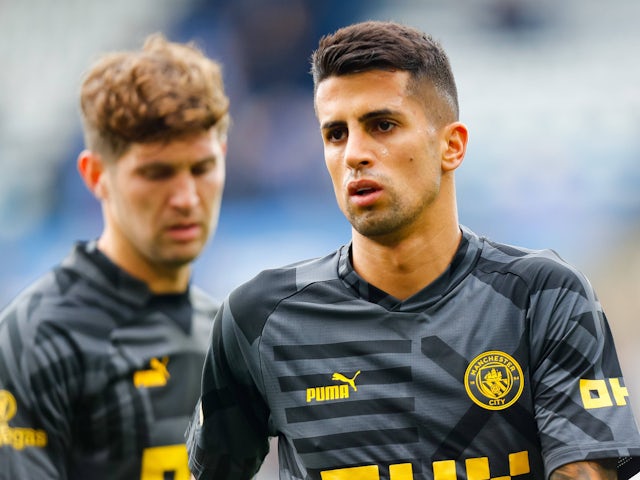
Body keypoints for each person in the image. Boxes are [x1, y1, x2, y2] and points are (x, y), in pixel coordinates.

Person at [185, 20, 640, 480]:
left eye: (382, 125)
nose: (355, 153)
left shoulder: (541, 297)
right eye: (335, 134)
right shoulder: (260, 317)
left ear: (452, 146)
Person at [0, 33, 229, 479]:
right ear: (96, 175)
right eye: (156, 172)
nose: (186, 198)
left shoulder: (227, 332)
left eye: (201, 168)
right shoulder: (37, 340)